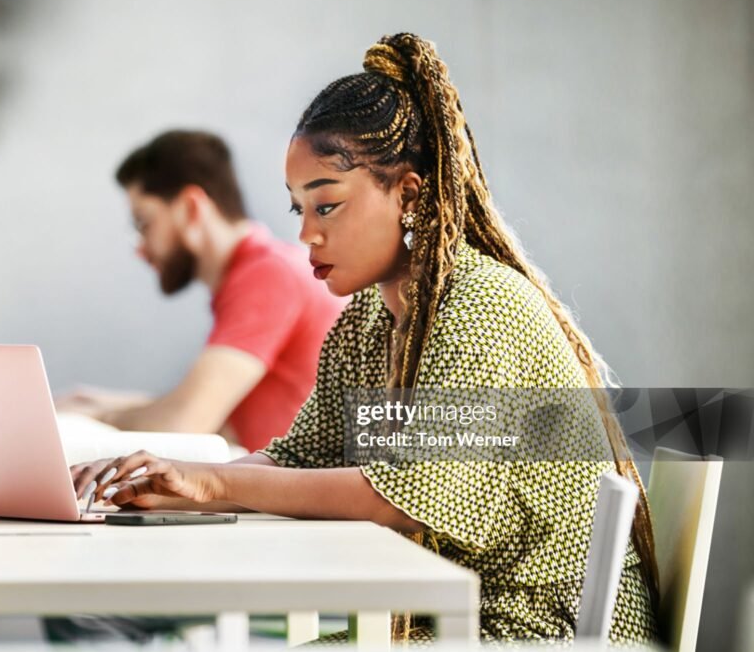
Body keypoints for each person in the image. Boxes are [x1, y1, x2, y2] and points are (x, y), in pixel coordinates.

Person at [70, 34, 660, 644]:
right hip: (455, 622)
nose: (305, 235)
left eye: (326, 207)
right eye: (297, 208)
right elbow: (299, 458)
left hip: (539, 632)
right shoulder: (364, 322)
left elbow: (403, 497)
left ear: (407, 194)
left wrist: (212, 482)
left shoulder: (482, 305)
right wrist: (163, 482)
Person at [59, 130, 345, 452]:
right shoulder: (267, 270)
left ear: (191, 207)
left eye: (143, 224)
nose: (140, 249)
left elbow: (184, 423)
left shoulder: (268, 275)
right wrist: (100, 404)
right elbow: (218, 418)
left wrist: (93, 416)